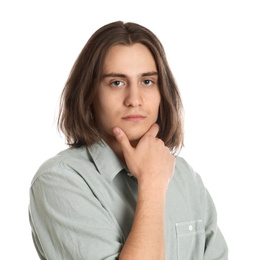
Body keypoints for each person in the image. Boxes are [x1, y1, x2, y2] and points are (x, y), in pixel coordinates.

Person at [29, 21, 228, 260]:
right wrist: (153, 184)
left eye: (147, 81)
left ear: (162, 93)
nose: (134, 99)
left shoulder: (185, 177)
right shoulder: (59, 181)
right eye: (117, 83)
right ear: (89, 94)